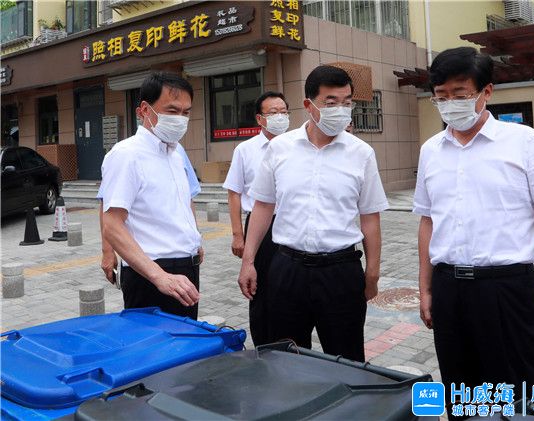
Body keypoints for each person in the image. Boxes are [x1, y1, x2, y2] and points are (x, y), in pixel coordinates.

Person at [413, 47, 534, 415]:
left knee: (519, 398)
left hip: (507, 290)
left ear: (487, 92)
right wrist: (426, 289)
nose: (450, 103)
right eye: (441, 96)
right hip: (449, 290)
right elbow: (428, 220)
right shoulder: (431, 150)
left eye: (460, 94)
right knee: (461, 397)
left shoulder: (524, 142)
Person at [237, 65, 388, 362]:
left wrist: (372, 272)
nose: (340, 110)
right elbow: (263, 206)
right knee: (287, 358)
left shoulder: (361, 153)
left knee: (347, 360)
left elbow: (370, 216)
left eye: (346, 102)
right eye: (331, 102)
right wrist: (248, 260)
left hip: (341, 271)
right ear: (309, 105)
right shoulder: (280, 148)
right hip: (287, 268)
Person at [100, 72, 203, 319]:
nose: (180, 119)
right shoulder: (126, 155)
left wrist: (195, 239)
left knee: (186, 341)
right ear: (145, 110)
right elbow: (112, 225)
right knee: (155, 342)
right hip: (150, 274)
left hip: (186, 268)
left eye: (186, 113)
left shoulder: (176, 153)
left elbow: (184, 201)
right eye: (172, 111)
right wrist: (159, 276)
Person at [223, 91, 289, 346]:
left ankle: (289, 342)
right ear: (260, 119)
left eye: (284, 112)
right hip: (260, 227)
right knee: (259, 286)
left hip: (291, 223)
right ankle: (263, 345)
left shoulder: (298, 146)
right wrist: (238, 235)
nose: (280, 117)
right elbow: (234, 193)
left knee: (289, 284)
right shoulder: (245, 150)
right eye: (273, 113)